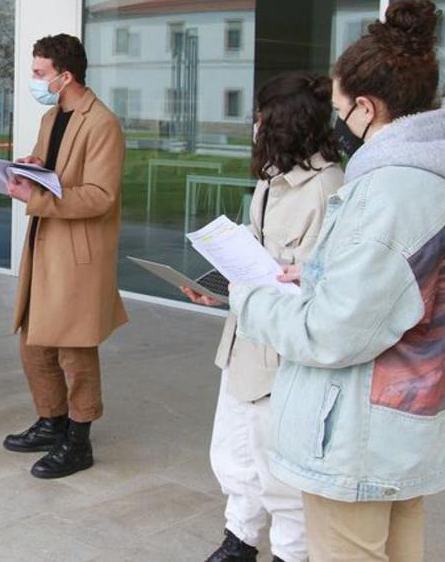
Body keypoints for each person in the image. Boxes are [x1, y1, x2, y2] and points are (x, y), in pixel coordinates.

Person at [230, 0, 445, 562]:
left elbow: (332, 332)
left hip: (360, 431)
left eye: (340, 108)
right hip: (412, 419)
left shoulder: (391, 191)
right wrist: (318, 273)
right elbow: (408, 289)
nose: (337, 122)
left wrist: (248, 297)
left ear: (368, 109)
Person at [184, 73, 344, 562]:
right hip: (245, 335)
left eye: (260, 118)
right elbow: (258, 246)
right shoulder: (271, 177)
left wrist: (278, 280)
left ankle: (289, 553)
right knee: (233, 452)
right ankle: (240, 538)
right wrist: (224, 283)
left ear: (283, 123)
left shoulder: (328, 187)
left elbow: (324, 281)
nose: (254, 126)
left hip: (284, 349)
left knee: (279, 468)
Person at [3, 34, 127, 479]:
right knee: (33, 341)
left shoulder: (102, 124)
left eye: (39, 73)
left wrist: (36, 198)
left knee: (74, 349)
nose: (34, 80)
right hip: (45, 242)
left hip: (76, 251)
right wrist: (32, 167)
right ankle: (51, 420)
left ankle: (78, 440)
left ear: (65, 75)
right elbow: (55, 174)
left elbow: (99, 196)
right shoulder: (52, 116)